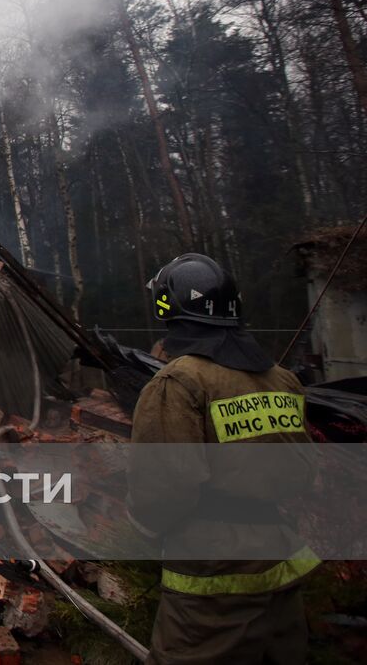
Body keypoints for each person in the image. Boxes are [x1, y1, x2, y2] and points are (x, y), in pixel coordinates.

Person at [127, 252, 318, 665]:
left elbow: (162, 487)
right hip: (281, 556)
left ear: (168, 307)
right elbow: (305, 470)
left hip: (212, 572)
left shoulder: (179, 382)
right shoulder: (283, 380)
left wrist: (144, 533)